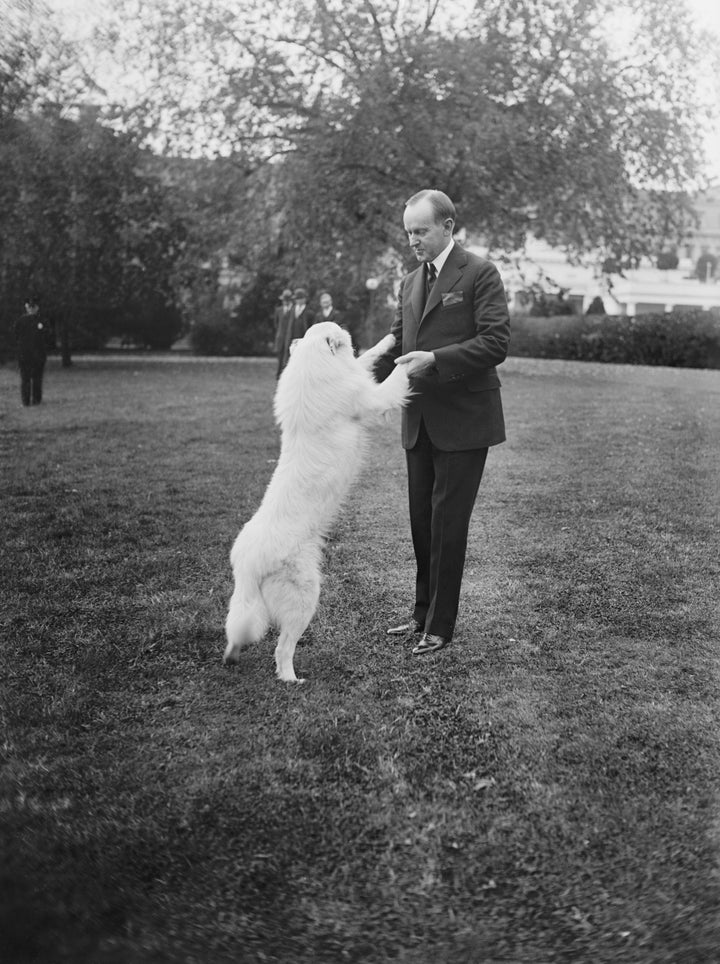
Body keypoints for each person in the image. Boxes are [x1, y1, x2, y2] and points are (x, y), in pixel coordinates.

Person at [373, 189, 510, 656]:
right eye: (408, 231)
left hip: (465, 422)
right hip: (418, 423)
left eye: (421, 231)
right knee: (422, 523)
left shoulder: (480, 273)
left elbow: (495, 342)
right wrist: (347, 370)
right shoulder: (409, 281)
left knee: (448, 524)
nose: (412, 240)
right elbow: (397, 342)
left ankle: (441, 625)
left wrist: (436, 358)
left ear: (448, 227)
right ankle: (420, 614)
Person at [14, 297, 48, 406]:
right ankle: (28, 401)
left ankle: (34, 400)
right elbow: (15, 337)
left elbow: (47, 337)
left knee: (35, 379)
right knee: (26, 379)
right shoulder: (21, 321)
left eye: (33, 307)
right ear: (26, 307)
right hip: (26, 355)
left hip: (36, 355)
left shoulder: (42, 321)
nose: (32, 309)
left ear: (37, 308)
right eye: (30, 307)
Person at [273, 288, 296, 376]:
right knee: (280, 356)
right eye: (284, 300)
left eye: (287, 300)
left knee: (288, 357)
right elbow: (276, 323)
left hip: (290, 337)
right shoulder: (278, 310)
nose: (285, 302)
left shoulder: (294, 310)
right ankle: (279, 374)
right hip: (280, 337)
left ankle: (287, 374)